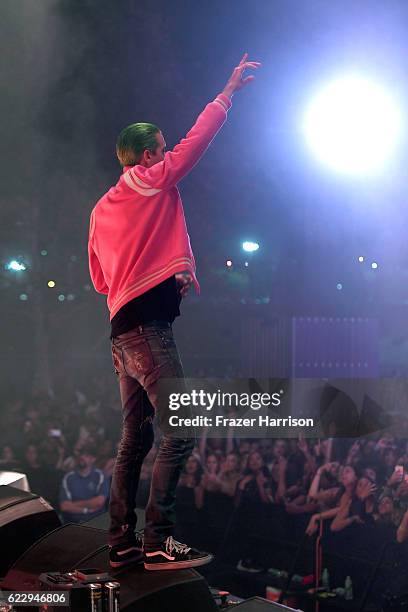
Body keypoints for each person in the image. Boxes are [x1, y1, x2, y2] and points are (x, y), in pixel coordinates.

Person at [87, 54, 261, 570]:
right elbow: (196, 143)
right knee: (181, 431)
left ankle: (119, 543)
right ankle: (158, 540)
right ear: (145, 155)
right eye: (160, 151)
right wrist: (226, 92)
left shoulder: (101, 208)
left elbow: (100, 279)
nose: (168, 157)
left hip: (121, 335)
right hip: (147, 331)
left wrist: (159, 267)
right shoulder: (151, 180)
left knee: (134, 442)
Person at [59, 445, 110, 524]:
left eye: (86, 455)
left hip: (96, 522)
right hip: (73, 523)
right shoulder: (68, 477)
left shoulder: (100, 476)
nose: (82, 457)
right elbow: (64, 506)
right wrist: (86, 509)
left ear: (93, 459)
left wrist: (73, 505)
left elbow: (99, 502)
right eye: (80, 454)